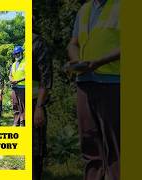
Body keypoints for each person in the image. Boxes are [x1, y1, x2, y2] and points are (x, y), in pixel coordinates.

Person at [67, 0, 120, 179]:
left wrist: (99, 62)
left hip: (114, 82)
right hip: (85, 82)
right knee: (90, 143)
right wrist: (76, 61)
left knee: (116, 146)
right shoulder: (85, 9)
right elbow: (73, 43)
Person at [32, 34, 52, 180]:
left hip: (35, 104)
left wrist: (39, 106)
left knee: (35, 152)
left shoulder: (37, 43)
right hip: (23, 105)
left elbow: (46, 78)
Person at [9, 46, 26, 127]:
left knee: (22, 105)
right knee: (15, 104)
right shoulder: (14, 64)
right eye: (15, 54)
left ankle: (23, 122)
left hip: (22, 87)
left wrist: (18, 81)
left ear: (21, 53)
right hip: (14, 87)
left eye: (17, 53)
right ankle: (16, 122)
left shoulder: (26, 62)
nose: (16, 55)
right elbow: (10, 74)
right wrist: (11, 79)